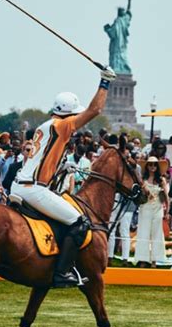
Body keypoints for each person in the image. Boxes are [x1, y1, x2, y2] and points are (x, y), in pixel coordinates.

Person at [11, 66, 116, 287]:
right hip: (33, 189)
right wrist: (105, 82)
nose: (77, 119)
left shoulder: (45, 125)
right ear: (69, 113)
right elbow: (95, 110)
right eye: (75, 114)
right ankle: (61, 272)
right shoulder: (63, 124)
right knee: (80, 222)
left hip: (21, 185)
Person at [133, 156, 168, 268]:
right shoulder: (143, 180)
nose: (152, 167)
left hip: (158, 208)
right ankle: (143, 259)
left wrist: (167, 211)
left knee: (157, 233)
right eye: (150, 164)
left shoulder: (161, 180)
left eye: (154, 165)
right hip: (145, 207)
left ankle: (155, 260)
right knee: (144, 232)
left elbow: (166, 197)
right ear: (147, 166)